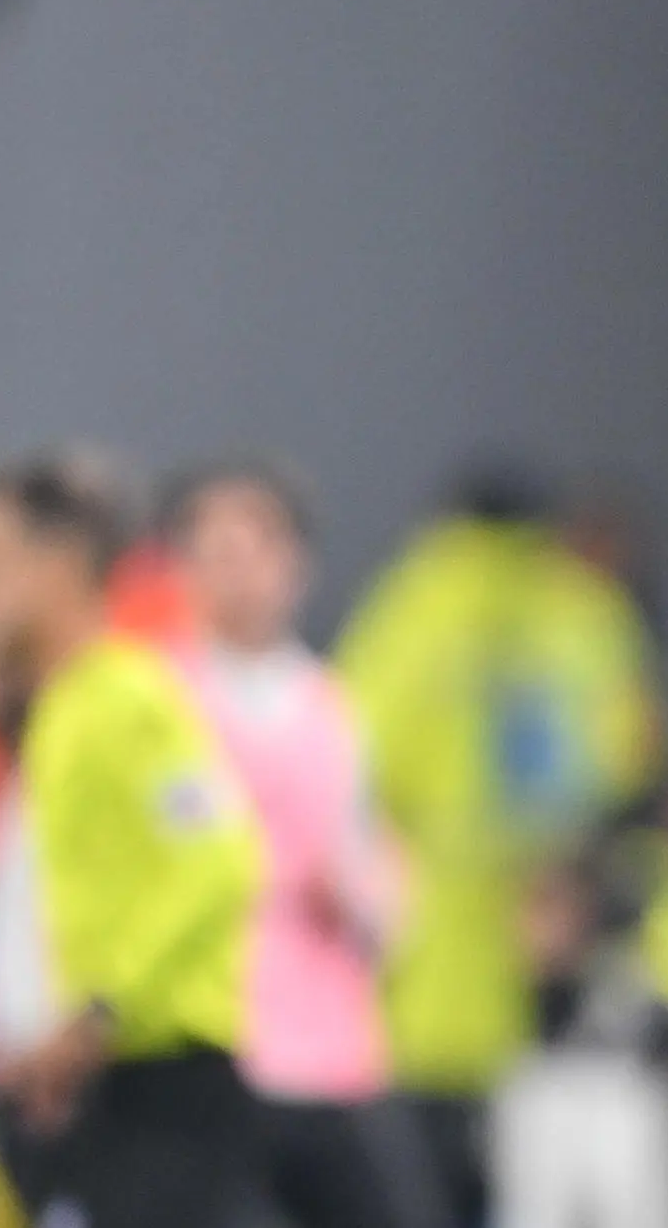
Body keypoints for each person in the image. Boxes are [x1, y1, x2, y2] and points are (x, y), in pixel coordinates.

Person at [335, 464, 665, 1226]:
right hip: (550, 941)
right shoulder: (584, 609)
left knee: (420, 1173)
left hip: (425, 948)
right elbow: (632, 752)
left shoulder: (412, 601)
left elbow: (353, 752)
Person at [0, 454, 264, 1226]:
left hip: (163, 1083)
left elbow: (219, 858)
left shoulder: (128, 694)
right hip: (93, 1082)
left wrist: (97, 1010)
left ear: (59, 565)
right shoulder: (62, 709)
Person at [162, 460, 444, 1228]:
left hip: (332, 1053)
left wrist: (372, 895)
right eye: (216, 551)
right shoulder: (157, 703)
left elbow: (372, 856)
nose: (241, 573)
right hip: (214, 1051)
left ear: (298, 564)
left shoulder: (331, 705)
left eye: (259, 548)